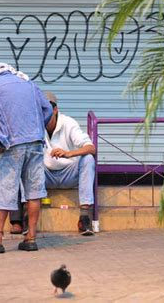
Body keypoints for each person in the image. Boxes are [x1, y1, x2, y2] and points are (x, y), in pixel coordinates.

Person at [0, 62, 53, 253]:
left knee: (6, 190)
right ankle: (31, 239)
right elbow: (48, 110)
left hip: (12, 144)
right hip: (36, 142)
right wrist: (37, 129)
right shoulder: (28, 83)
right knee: (34, 191)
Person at [43, 91, 96, 236]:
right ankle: (28, 214)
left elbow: (91, 148)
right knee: (26, 162)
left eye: (47, 110)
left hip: (69, 175)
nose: (44, 115)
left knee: (88, 159)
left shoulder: (68, 123)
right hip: (45, 176)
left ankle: (85, 217)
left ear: (55, 110)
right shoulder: (35, 125)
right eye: (40, 110)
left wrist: (68, 153)